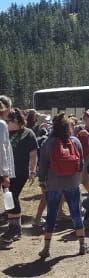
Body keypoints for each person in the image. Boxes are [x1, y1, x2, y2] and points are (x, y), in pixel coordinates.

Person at [38, 113, 88, 258]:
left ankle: (46, 248)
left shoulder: (48, 142)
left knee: (51, 214)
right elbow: (81, 164)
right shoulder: (75, 141)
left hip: (53, 183)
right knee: (76, 213)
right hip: (72, 182)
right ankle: (82, 244)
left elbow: (43, 165)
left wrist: (42, 181)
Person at [1, 109, 39, 243]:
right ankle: (11, 220)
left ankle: (15, 228)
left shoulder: (28, 133)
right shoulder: (5, 132)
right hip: (5, 171)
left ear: (16, 121)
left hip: (20, 171)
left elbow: (33, 154)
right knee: (8, 196)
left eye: (8, 121)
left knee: (13, 196)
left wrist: (33, 171)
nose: (6, 123)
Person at [0, 96, 15, 227]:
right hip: (1, 169)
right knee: (7, 195)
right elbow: (2, 149)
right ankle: (13, 224)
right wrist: (5, 173)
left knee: (7, 196)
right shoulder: (2, 124)